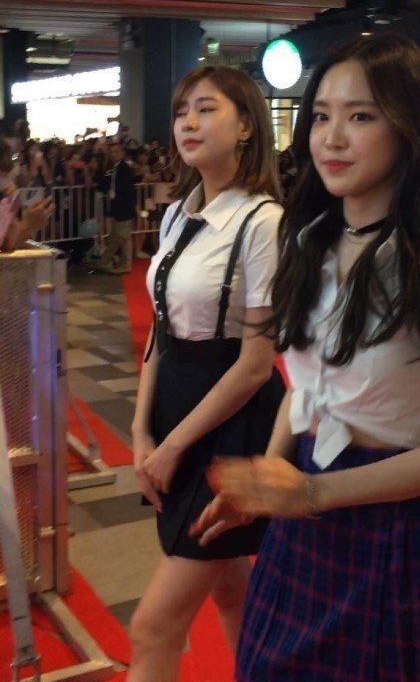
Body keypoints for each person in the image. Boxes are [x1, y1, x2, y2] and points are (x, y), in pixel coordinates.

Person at [193, 34, 420, 681]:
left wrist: (314, 492)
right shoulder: (309, 240)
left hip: (395, 522)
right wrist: (269, 474)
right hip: (304, 509)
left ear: (408, 130)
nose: (332, 138)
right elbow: (306, 386)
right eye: (321, 116)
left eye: (360, 116)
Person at [128, 66, 285, 682]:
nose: (187, 122)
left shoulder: (262, 222)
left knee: (153, 626)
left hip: (232, 421)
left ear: (245, 125)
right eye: (180, 111)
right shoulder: (176, 214)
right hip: (175, 404)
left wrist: (172, 445)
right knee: (230, 589)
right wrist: (141, 429)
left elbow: (254, 365)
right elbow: (159, 332)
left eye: (206, 108)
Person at [87, 141, 135, 275]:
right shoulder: (112, 169)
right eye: (112, 152)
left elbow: (126, 189)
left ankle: (125, 264)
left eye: (116, 151)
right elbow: (105, 184)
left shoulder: (124, 169)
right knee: (118, 237)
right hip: (117, 207)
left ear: (122, 153)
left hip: (124, 207)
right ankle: (107, 261)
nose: (114, 154)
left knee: (122, 237)